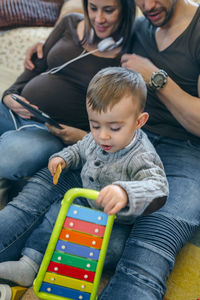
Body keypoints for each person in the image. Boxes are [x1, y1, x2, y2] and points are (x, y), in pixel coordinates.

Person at [0, 67, 168, 287]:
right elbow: (80, 149)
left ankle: (60, 268)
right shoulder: (96, 138)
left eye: (115, 128)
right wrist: (62, 158)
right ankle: (29, 263)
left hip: (115, 221)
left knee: (111, 248)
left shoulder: (142, 155)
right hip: (84, 201)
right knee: (54, 216)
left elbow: (158, 185)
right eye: (95, 125)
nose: (102, 135)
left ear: (139, 121)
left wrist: (124, 192)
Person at [0, 0, 135, 181]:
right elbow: (31, 70)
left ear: (125, 11)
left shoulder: (131, 54)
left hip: (53, 134)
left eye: (109, 10)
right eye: (93, 8)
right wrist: (9, 97)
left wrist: (85, 138)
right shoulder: (70, 22)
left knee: (10, 160)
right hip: (13, 113)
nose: (99, 18)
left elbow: (123, 126)